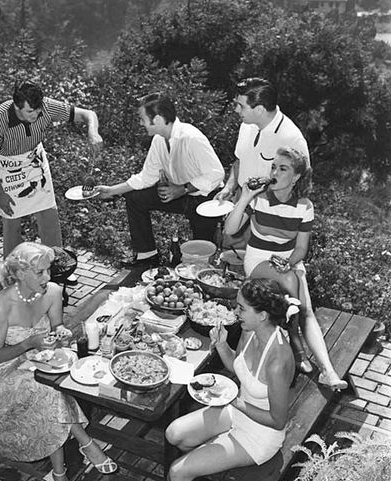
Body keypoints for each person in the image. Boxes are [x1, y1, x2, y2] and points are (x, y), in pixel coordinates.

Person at [145, 278, 295, 481]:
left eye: (241, 308)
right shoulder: (251, 332)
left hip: (260, 434)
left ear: (262, 314)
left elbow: (278, 420)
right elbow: (235, 365)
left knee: (178, 472)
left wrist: (236, 401)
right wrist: (220, 344)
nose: (236, 312)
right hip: (237, 411)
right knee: (173, 432)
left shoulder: (279, 359)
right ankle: (210, 462)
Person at [0, 242, 117, 481]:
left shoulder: (53, 292)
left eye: (48, 270)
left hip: (40, 362)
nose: (47, 278)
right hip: (2, 372)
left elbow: (57, 326)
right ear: (20, 273)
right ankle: (84, 445)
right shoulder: (1, 305)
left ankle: (61, 472)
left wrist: (62, 334)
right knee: (49, 392)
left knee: (51, 389)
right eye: (39, 273)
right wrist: (29, 344)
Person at [223, 146, 348, 391]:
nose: (275, 172)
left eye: (283, 168)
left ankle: (328, 371)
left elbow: (301, 248)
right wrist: (245, 196)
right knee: (292, 285)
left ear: (297, 177)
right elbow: (230, 230)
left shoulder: (304, 206)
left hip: (289, 260)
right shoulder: (259, 199)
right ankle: (297, 345)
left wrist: (288, 262)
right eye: (273, 167)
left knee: (307, 309)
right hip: (258, 259)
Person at [95, 92, 225, 269]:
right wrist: (112, 190)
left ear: (156, 119)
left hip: (205, 199)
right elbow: (147, 177)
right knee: (135, 198)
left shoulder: (192, 137)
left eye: (142, 118)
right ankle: (147, 256)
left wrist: (182, 189)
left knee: (199, 260)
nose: (140, 123)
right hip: (180, 194)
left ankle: (200, 267)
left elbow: (217, 173)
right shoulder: (158, 140)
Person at [0, 80, 103, 257]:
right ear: (17, 106)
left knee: (49, 214)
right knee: (12, 220)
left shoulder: (46, 106)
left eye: (38, 110)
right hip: (8, 166)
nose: (36, 114)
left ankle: (57, 264)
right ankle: (13, 270)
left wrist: (93, 132)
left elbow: (88, 114)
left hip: (35, 160)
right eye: (30, 111)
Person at [215, 77, 309, 253]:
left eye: (241, 106)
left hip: (270, 212)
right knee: (230, 256)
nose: (235, 110)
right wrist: (229, 188)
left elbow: (302, 184)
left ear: (259, 109)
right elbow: (239, 160)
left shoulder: (291, 138)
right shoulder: (247, 125)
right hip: (242, 199)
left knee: (259, 269)